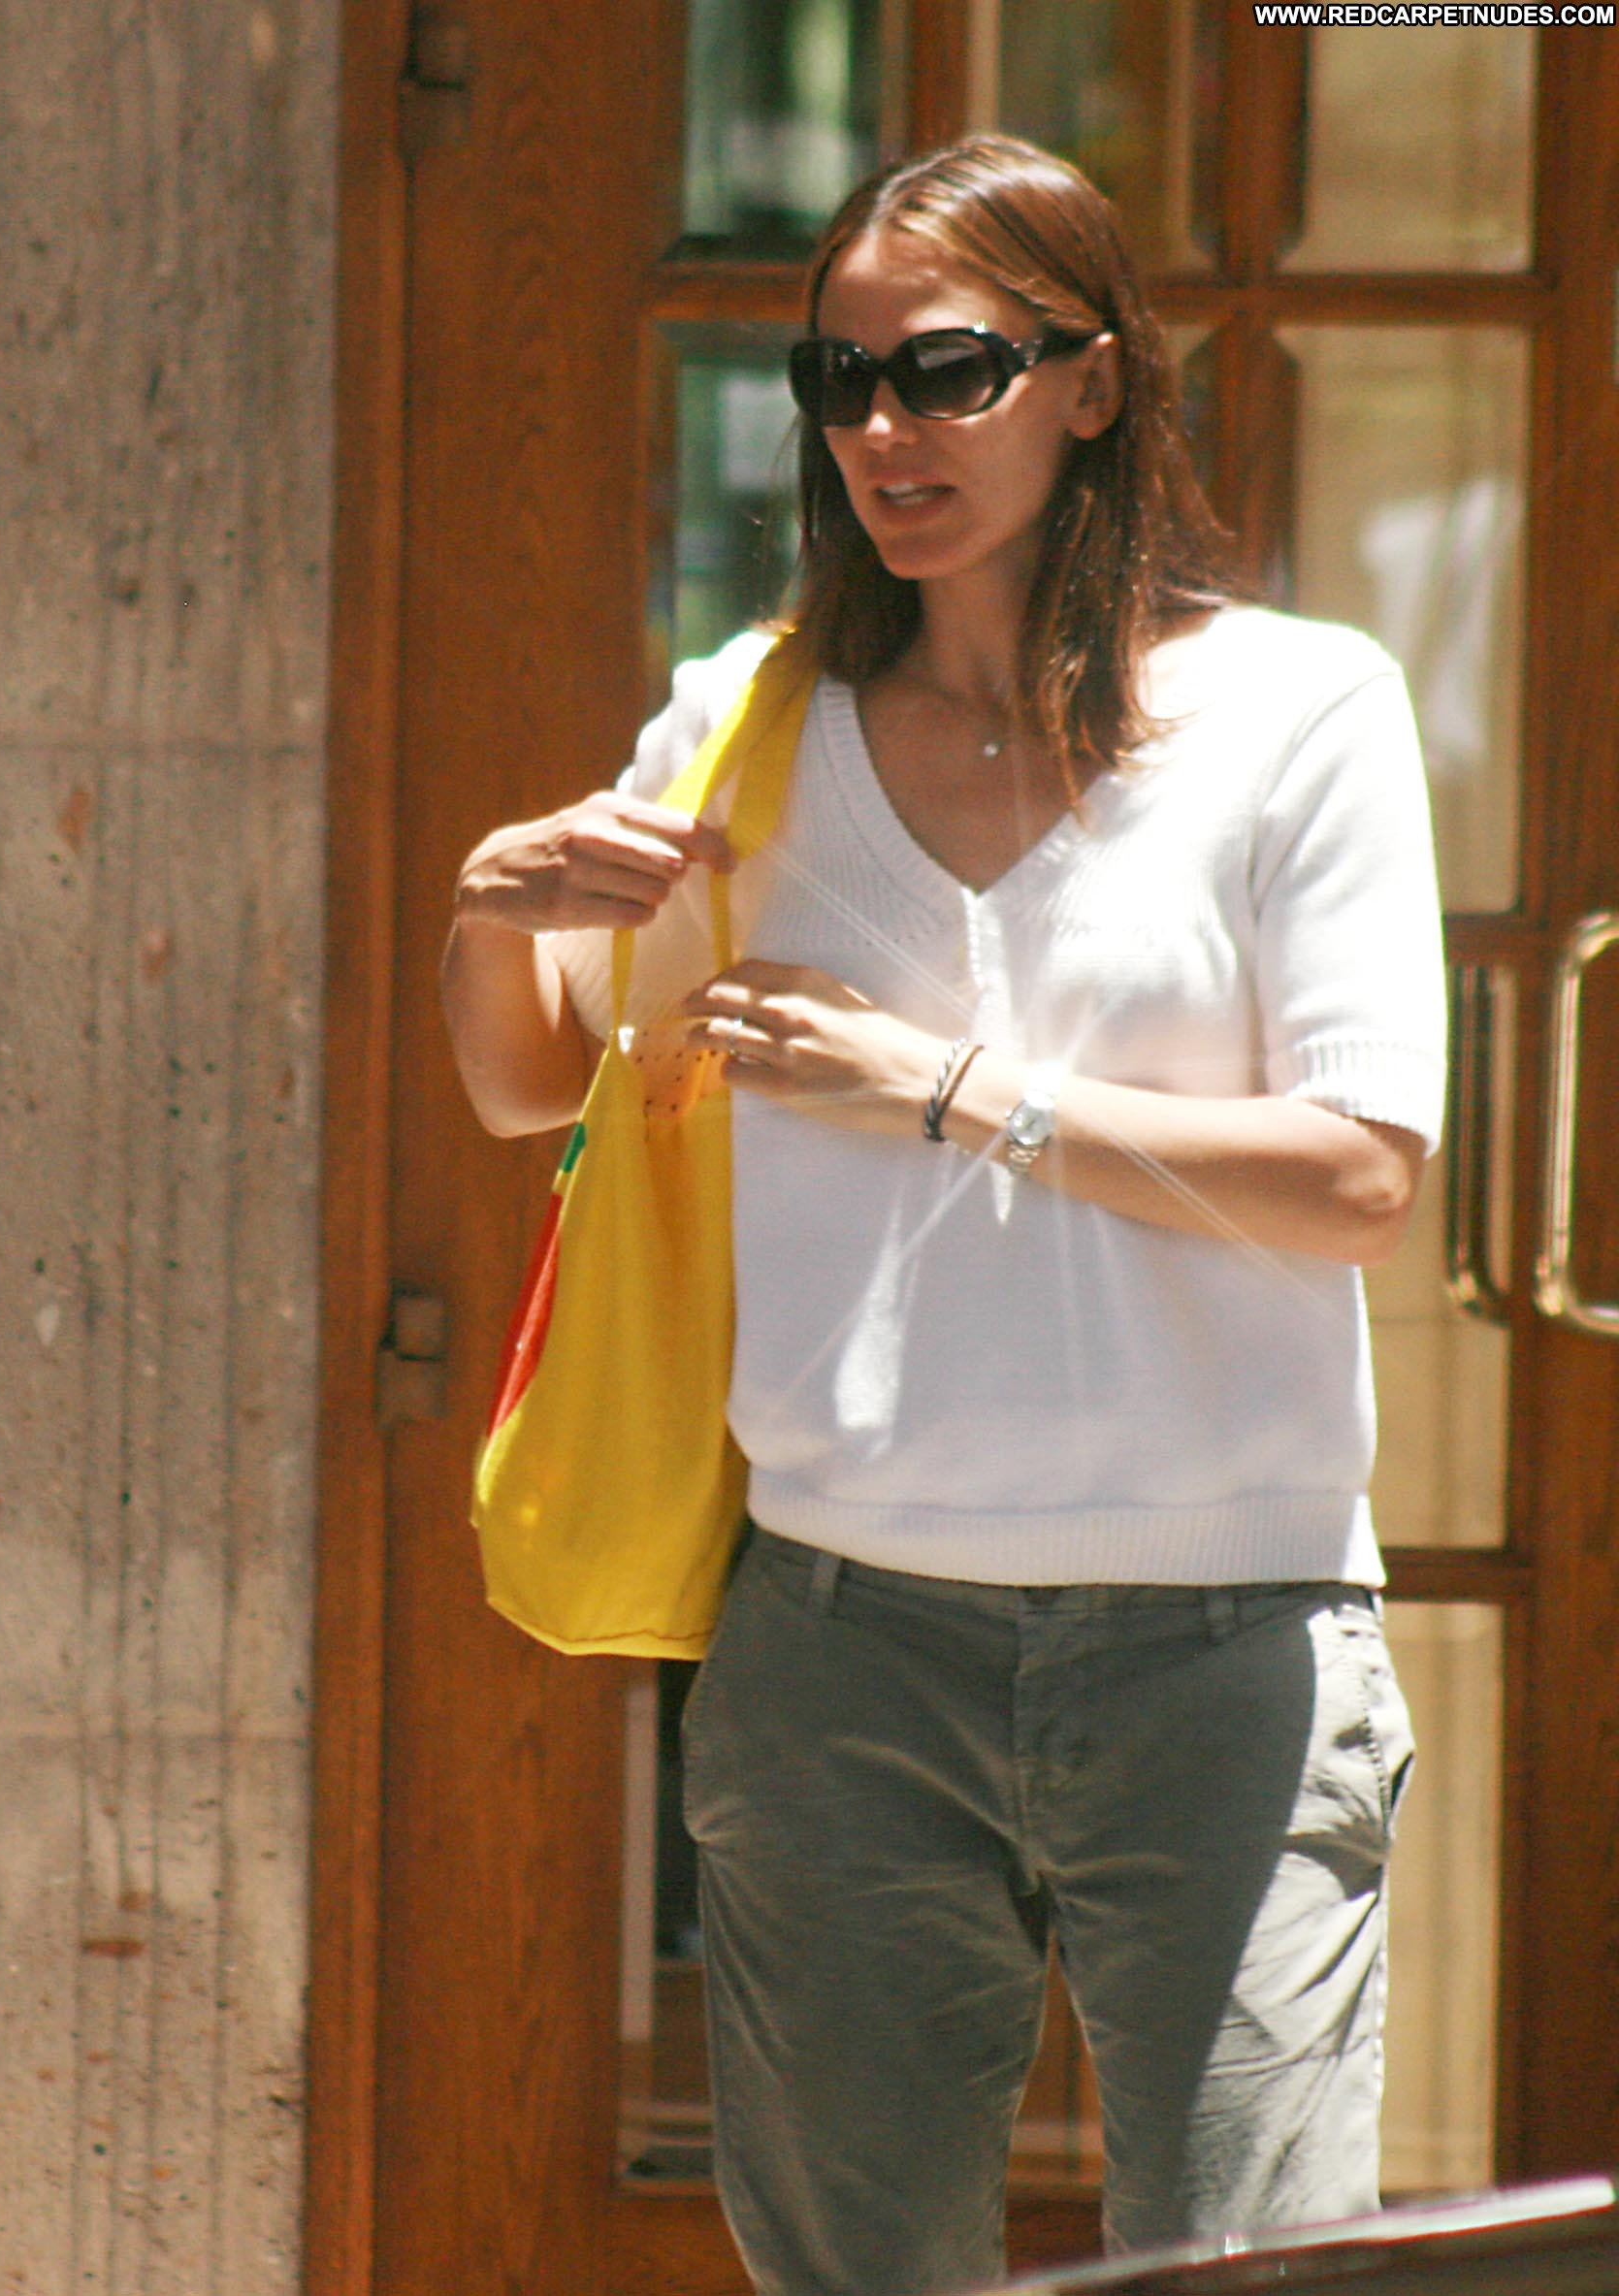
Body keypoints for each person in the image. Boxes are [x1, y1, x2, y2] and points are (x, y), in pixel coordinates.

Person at [442, 135, 1442, 2295]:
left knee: (1251, 2266)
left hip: (1229, 1638)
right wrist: (485, 915)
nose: (885, 426)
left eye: (950, 369)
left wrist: (954, 1091)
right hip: (843, 1639)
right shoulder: (750, 723)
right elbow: (535, 1080)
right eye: (843, 378)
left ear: (1093, 381)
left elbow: (1364, 1176)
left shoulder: (1300, 710)